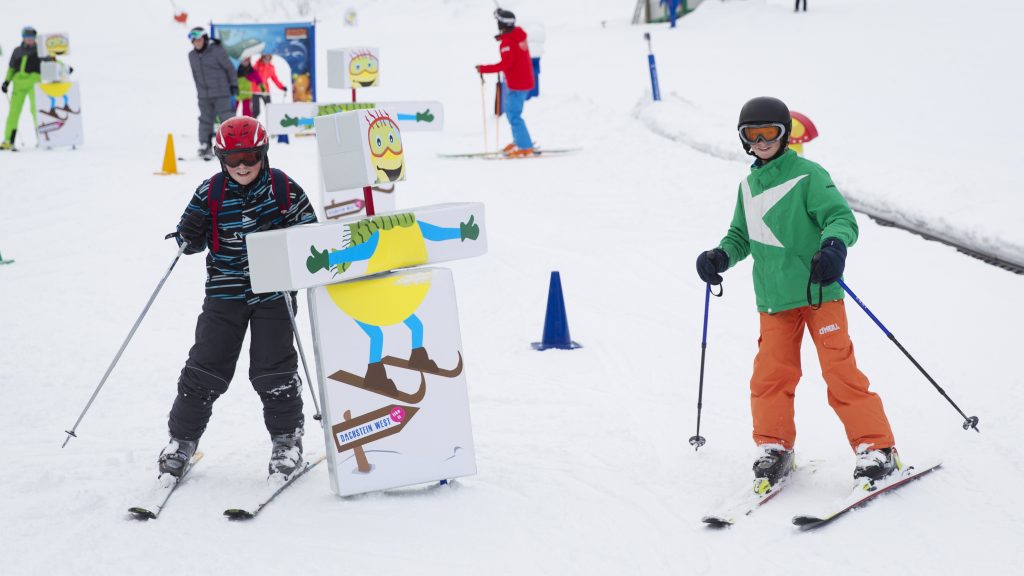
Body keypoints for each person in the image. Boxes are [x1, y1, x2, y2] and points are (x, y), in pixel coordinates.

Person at [695, 96, 898, 492]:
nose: (761, 141)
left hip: (819, 292)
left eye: (769, 133)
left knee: (840, 372)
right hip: (774, 300)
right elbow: (741, 236)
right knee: (770, 375)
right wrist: (720, 256)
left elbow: (840, 217)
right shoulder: (748, 186)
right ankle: (775, 447)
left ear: (785, 134)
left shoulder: (808, 174)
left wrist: (835, 247)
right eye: (751, 135)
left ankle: (878, 449)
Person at [159, 116, 318, 481]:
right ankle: (181, 441)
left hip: (274, 293)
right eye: (233, 159)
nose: (242, 166)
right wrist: (188, 235)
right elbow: (193, 237)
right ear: (221, 159)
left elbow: (310, 234)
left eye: (249, 156)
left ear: (262, 153)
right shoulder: (210, 191)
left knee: (273, 368)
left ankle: (286, 442)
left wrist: (298, 247)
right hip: (224, 292)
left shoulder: (283, 189)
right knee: (205, 367)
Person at [476, 8, 536, 158]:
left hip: (516, 84)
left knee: (513, 115)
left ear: (502, 24)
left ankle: (525, 145)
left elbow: (506, 64)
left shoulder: (507, 43)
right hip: (523, 81)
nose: (497, 24)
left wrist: (484, 69)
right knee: (514, 113)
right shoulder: (518, 35)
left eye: (498, 21)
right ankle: (520, 139)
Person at [187, 27, 237, 160]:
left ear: (205, 39)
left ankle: (231, 145)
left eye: (199, 40)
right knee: (205, 119)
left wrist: (233, 85)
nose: (197, 43)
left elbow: (230, 68)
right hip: (204, 95)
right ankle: (205, 144)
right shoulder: (191, 56)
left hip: (221, 92)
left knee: (226, 118)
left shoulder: (216, 51)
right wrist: (200, 91)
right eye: (194, 41)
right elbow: (195, 75)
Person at [2, 26, 54, 151]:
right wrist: (6, 82)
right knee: (14, 112)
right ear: (23, 38)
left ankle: (41, 138)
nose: (29, 40)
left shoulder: (40, 50)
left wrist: (63, 68)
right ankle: (8, 140)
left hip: (34, 84)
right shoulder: (17, 51)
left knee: (36, 110)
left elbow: (52, 62)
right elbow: (12, 69)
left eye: (31, 38)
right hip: (18, 85)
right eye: (27, 38)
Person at [251, 52, 287, 119]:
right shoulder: (257, 65)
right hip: (255, 90)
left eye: (269, 59)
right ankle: (253, 123)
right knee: (256, 111)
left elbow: (275, 79)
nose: (267, 60)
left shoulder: (271, 67)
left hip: (265, 90)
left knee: (269, 109)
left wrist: (282, 87)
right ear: (262, 58)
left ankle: (272, 123)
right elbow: (252, 75)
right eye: (265, 58)